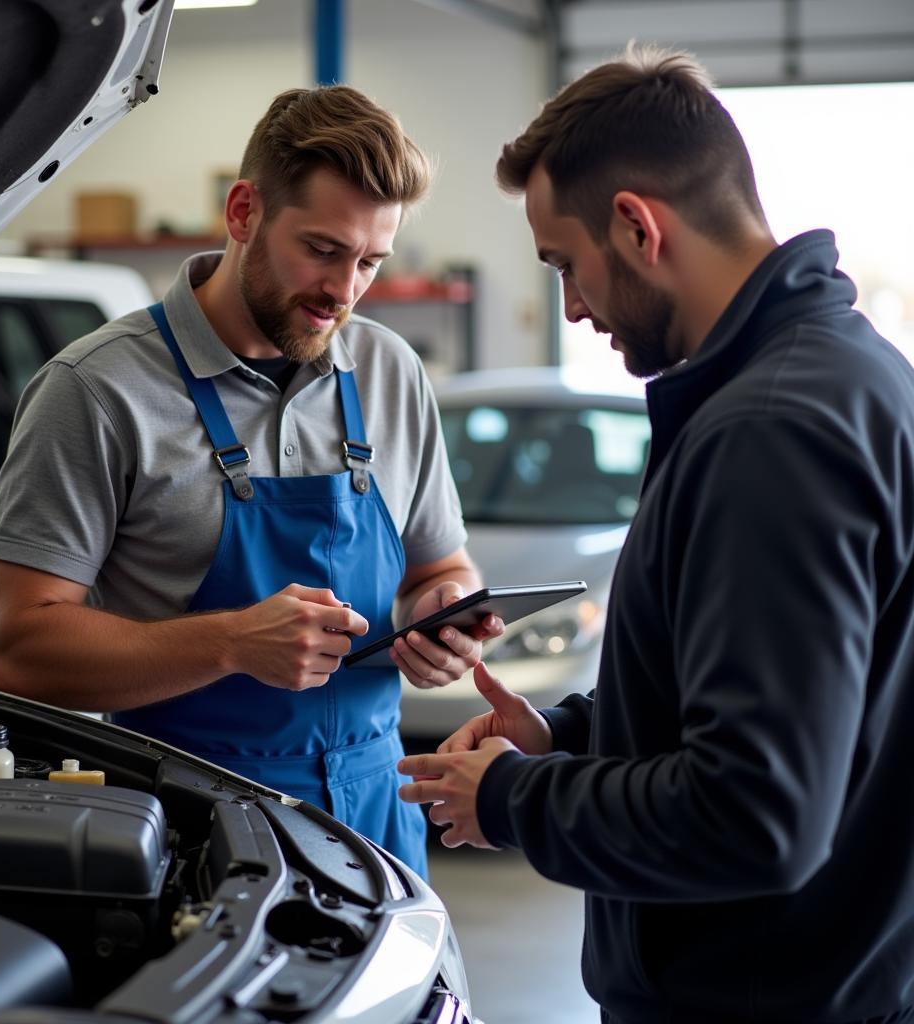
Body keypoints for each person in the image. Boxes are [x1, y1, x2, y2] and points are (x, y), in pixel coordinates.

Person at [398, 43, 914, 1022]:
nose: (572, 307)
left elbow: (755, 812)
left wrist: (512, 799)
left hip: (763, 998)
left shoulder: (770, 433)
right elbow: (792, 702)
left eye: (565, 266)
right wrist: (564, 737)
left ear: (635, 225)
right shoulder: (842, 373)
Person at [0, 84, 502, 878]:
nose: (345, 291)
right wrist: (227, 643)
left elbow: (442, 566)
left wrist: (441, 615)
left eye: (370, 262)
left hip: (377, 811)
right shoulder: (95, 390)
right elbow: (18, 650)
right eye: (323, 250)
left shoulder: (392, 370)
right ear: (243, 213)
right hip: (195, 827)